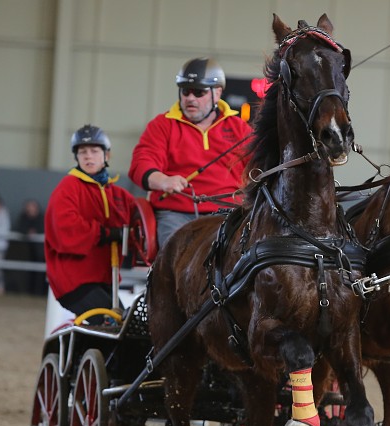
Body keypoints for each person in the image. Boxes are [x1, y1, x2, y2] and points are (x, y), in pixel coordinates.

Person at [129, 57, 252, 246]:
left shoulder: (240, 129)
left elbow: (262, 166)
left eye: (199, 92)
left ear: (217, 93)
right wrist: (163, 181)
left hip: (229, 213)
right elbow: (141, 164)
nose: (190, 98)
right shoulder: (162, 125)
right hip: (176, 214)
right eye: (185, 91)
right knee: (175, 252)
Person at [45, 124, 138, 324]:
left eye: (94, 151)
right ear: (76, 157)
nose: (88, 156)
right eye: (82, 152)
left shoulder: (119, 195)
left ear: (107, 155)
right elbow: (66, 229)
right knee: (114, 324)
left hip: (104, 280)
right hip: (74, 282)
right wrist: (105, 234)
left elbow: (140, 221)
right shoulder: (68, 188)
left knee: (126, 326)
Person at [17, 199, 46, 296]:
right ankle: (30, 291)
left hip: (41, 251)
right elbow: (20, 228)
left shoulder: (42, 218)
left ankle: (39, 292)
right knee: (30, 272)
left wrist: (35, 232)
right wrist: (28, 232)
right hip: (28, 251)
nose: (30, 209)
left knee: (40, 273)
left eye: (32, 207)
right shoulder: (24, 217)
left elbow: (44, 230)